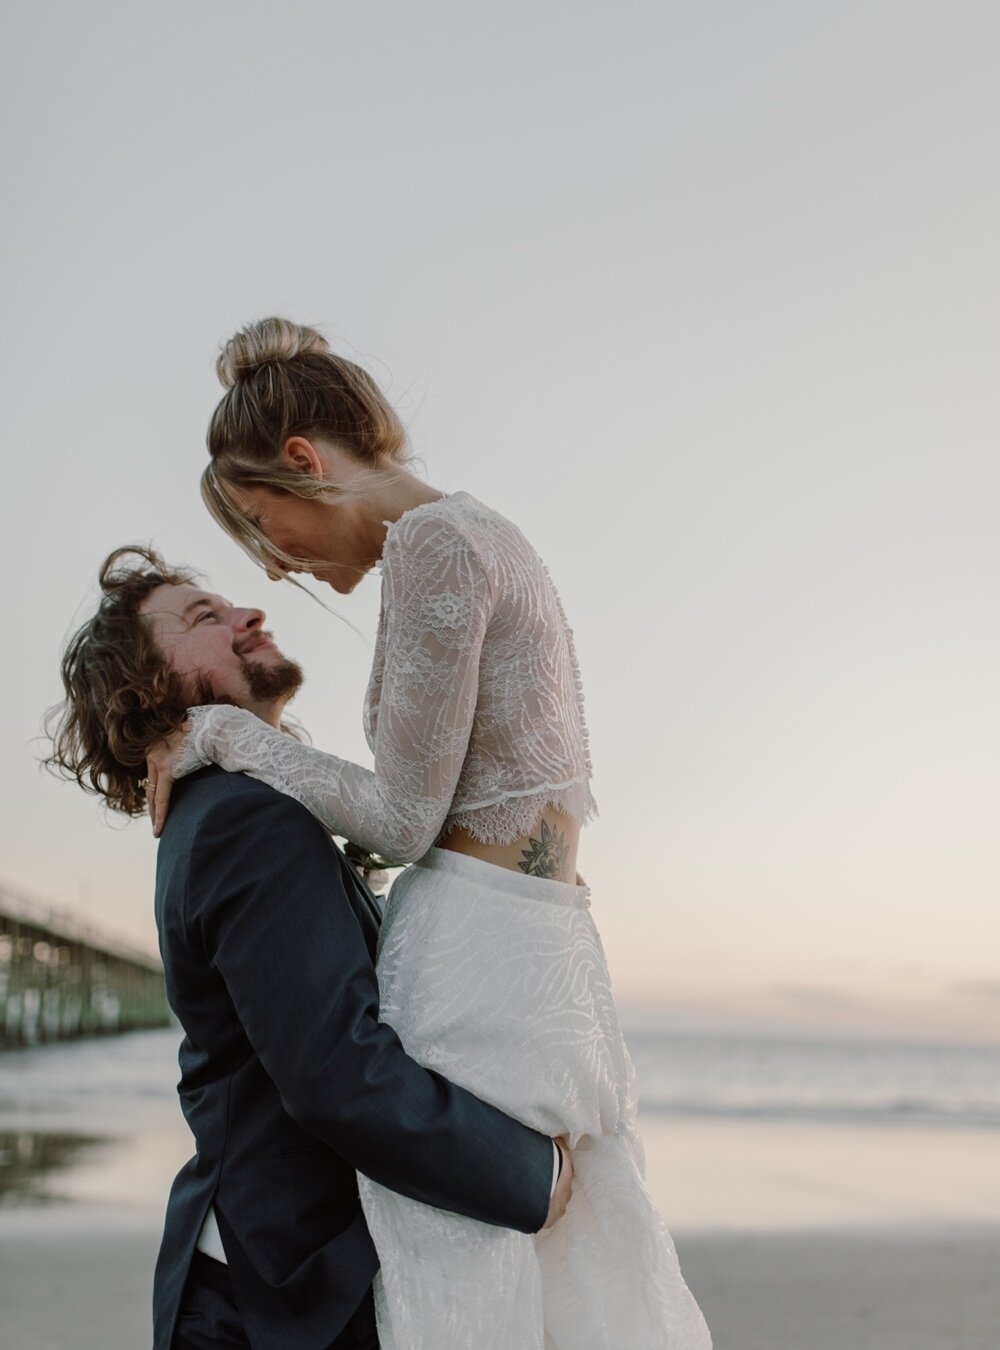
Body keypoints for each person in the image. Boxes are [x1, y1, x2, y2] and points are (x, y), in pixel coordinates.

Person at [147, 317, 711, 1350]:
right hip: (541, 941)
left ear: (304, 463)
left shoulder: (433, 547)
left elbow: (405, 820)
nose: (275, 570)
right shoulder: (482, 529)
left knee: (457, 1290)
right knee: (546, 1278)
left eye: (263, 526)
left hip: (480, 953)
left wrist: (226, 734)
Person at [46, 545, 573, 1350]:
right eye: (203, 619)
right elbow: (339, 1075)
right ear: (148, 688)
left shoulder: (225, 811)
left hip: (257, 1286)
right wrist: (533, 1176)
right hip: (273, 1302)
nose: (247, 615)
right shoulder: (243, 820)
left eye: (230, 606)